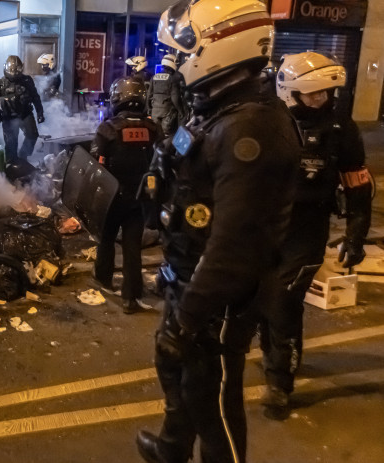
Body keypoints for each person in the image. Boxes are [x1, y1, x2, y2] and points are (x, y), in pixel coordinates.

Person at [135, 1, 300, 462]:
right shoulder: (220, 106)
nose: (171, 62)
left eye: (178, 52)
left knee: (214, 401)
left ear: (214, 48)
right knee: (180, 374)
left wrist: (188, 317)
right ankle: (172, 449)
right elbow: (185, 163)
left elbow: (234, 246)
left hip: (222, 296)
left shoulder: (252, 127)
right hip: (191, 275)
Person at [258, 51, 372, 421]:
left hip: (308, 228)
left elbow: (356, 180)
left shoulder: (340, 126)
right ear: (290, 91)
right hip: (266, 223)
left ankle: (280, 382)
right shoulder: (266, 118)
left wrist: (356, 234)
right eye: (312, 93)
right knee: (262, 295)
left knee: (285, 299)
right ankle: (274, 353)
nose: (321, 99)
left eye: (326, 92)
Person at [90, 77, 158, 314]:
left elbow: (96, 163)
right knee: (132, 246)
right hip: (139, 197)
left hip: (112, 197)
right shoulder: (153, 128)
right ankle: (131, 296)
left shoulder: (107, 128)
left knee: (107, 238)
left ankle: (103, 277)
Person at [0, 55, 45, 168]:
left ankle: (23, 157)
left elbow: (35, 97)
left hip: (25, 114)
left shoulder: (27, 80)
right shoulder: (0, 83)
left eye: (16, 72)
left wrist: (40, 112)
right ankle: (11, 167)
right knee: (11, 144)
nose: (13, 74)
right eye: (11, 71)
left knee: (33, 135)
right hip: (9, 117)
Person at [146, 54, 187, 137]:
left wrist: (149, 109)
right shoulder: (172, 79)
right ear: (172, 64)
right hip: (168, 113)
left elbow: (149, 95)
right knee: (167, 137)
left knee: (156, 135)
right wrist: (181, 111)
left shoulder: (154, 77)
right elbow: (175, 97)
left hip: (155, 112)